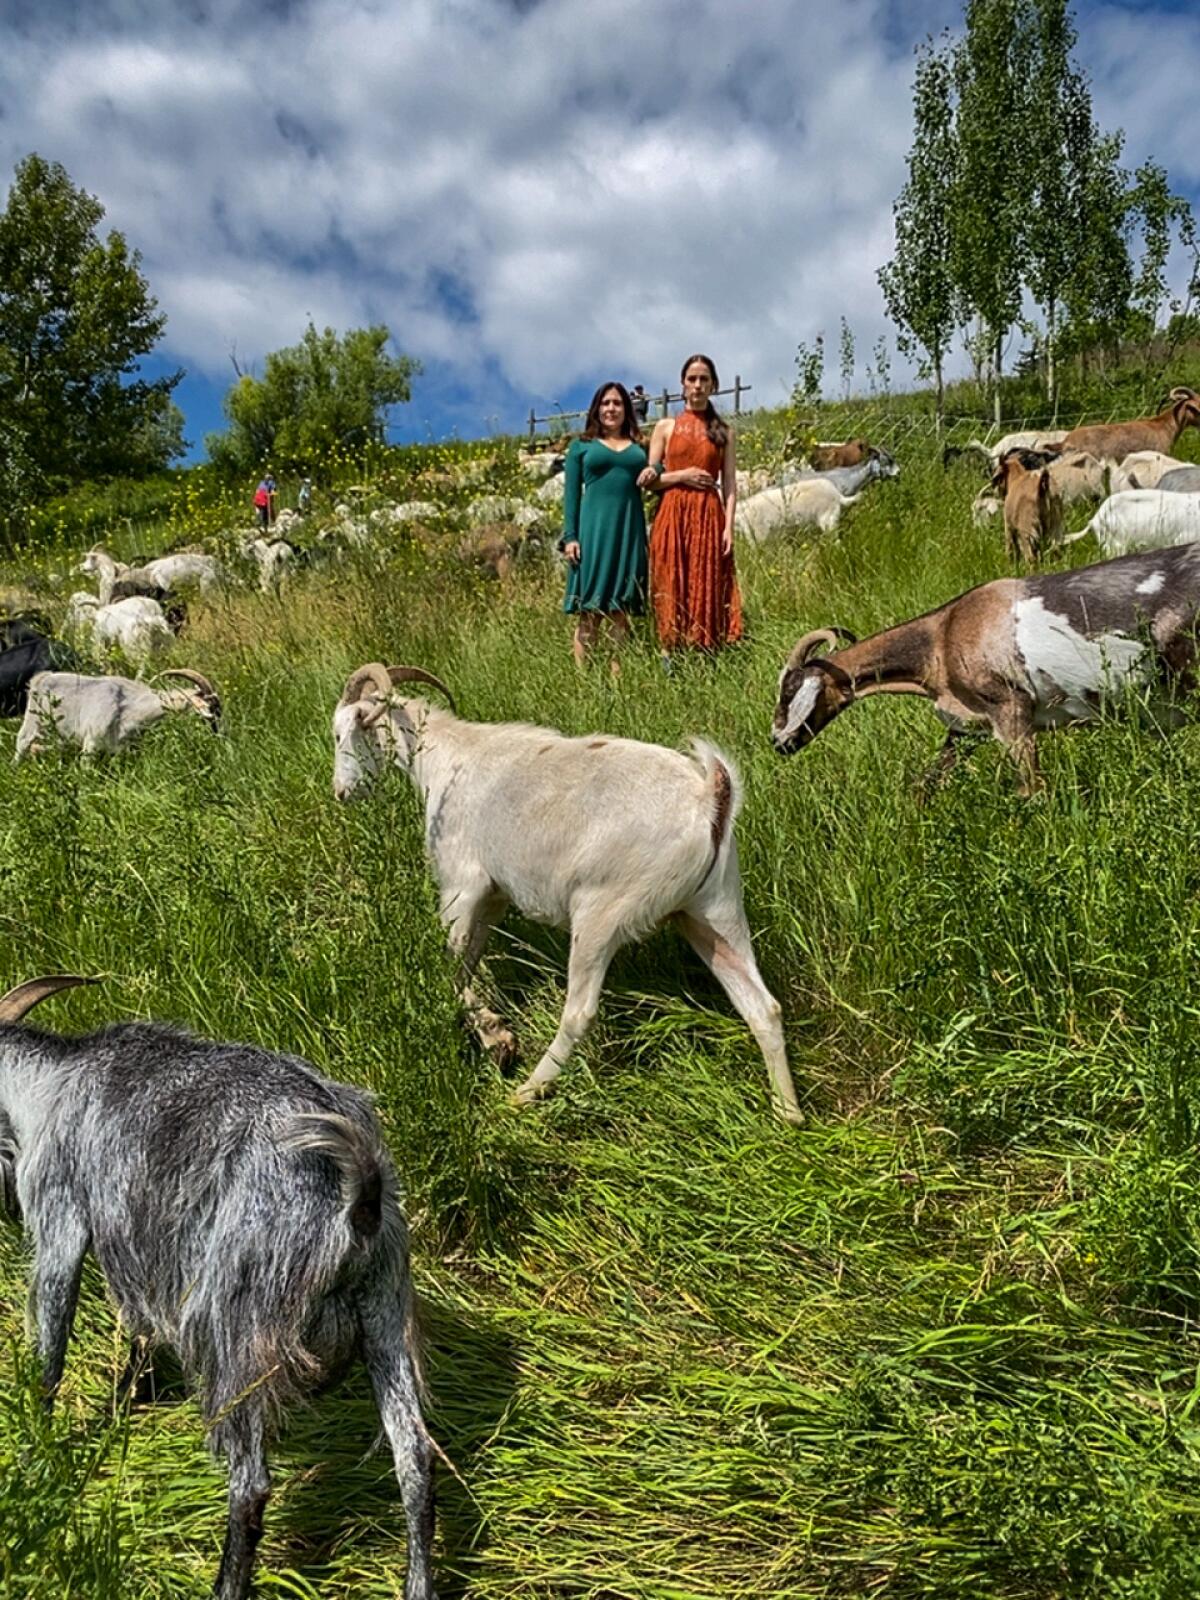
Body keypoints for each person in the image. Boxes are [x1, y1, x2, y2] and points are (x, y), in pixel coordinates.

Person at [638, 354, 741, 659]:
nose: (697, 385)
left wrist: (729, 527)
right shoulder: (665, 427)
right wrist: (683, 474)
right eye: (692, 379)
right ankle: (669, 654)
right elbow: (650, 479)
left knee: (705, 578)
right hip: (672, 511)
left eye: (704, 379)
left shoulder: (724, 432)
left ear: (713, 386)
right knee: (672, 577)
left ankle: (703, 654)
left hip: (709, 513)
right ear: (682, 385)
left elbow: (731, 484)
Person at [559, 382, 649, 669]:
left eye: (618, 403)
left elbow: (658, 471)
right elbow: (571, 495)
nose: (612, 409)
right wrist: (570, 537)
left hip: (628, 532)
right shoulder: (581, 447)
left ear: (627, 409)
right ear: (597, 409)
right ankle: (584, 683)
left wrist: (655, 469)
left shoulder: (639, 447)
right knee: (590, 611)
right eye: (606, 403)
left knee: (619, 610)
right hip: (593, 533)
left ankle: (617, 684)